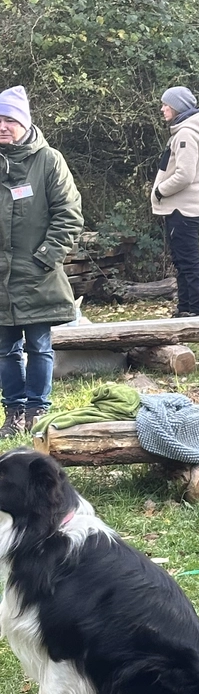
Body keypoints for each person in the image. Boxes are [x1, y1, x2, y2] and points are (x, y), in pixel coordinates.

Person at [0, 86, 84, 437]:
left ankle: (37, 410)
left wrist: (46, 258)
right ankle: (13, 411)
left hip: (38, 274)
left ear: (24, 122)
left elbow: (69, 215)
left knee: (38, 346)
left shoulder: (49, 160)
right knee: (4, 350)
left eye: (9, 119)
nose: (2, 126)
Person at [151, 85, 199, 316]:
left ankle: (196, 309)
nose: (162, 108)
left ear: (177, 107)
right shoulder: (184, 132)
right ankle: (185, 308)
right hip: (181, 208)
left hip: (182, 209)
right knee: (181, 260)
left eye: (166, 104)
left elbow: (185, 175)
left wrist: (160, 191)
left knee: (188, 261)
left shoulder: (186, 134)